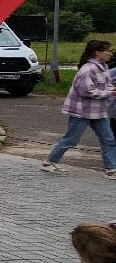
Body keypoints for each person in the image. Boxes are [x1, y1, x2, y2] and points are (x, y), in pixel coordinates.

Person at [41, 39, 116, 178]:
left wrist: (112, 89)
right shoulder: (88, 70)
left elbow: (107, 84)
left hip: (98, 112)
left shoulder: (103, 67)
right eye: (108, 51)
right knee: (71, 139)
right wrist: (109, 93)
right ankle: (49, 162)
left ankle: (111, 169)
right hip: (81, 112)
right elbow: (87, 91)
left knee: (108, 139)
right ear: (97, 53)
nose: (110, 53)